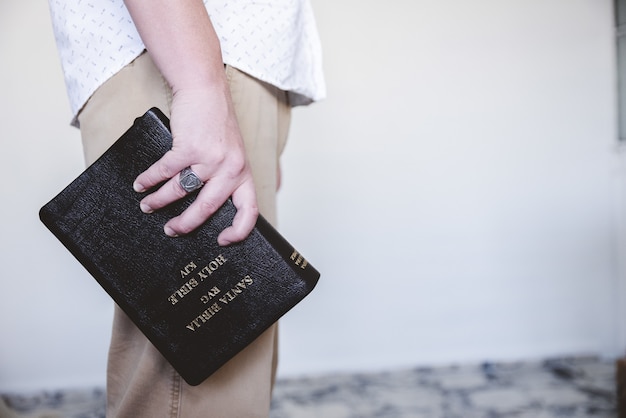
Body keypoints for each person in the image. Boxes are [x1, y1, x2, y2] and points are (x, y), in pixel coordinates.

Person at [47, 0, 325, 416]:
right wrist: (201, 87)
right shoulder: (197, 81)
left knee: (235, 362)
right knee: (207, 375)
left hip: (212, 61)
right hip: (182, 55)